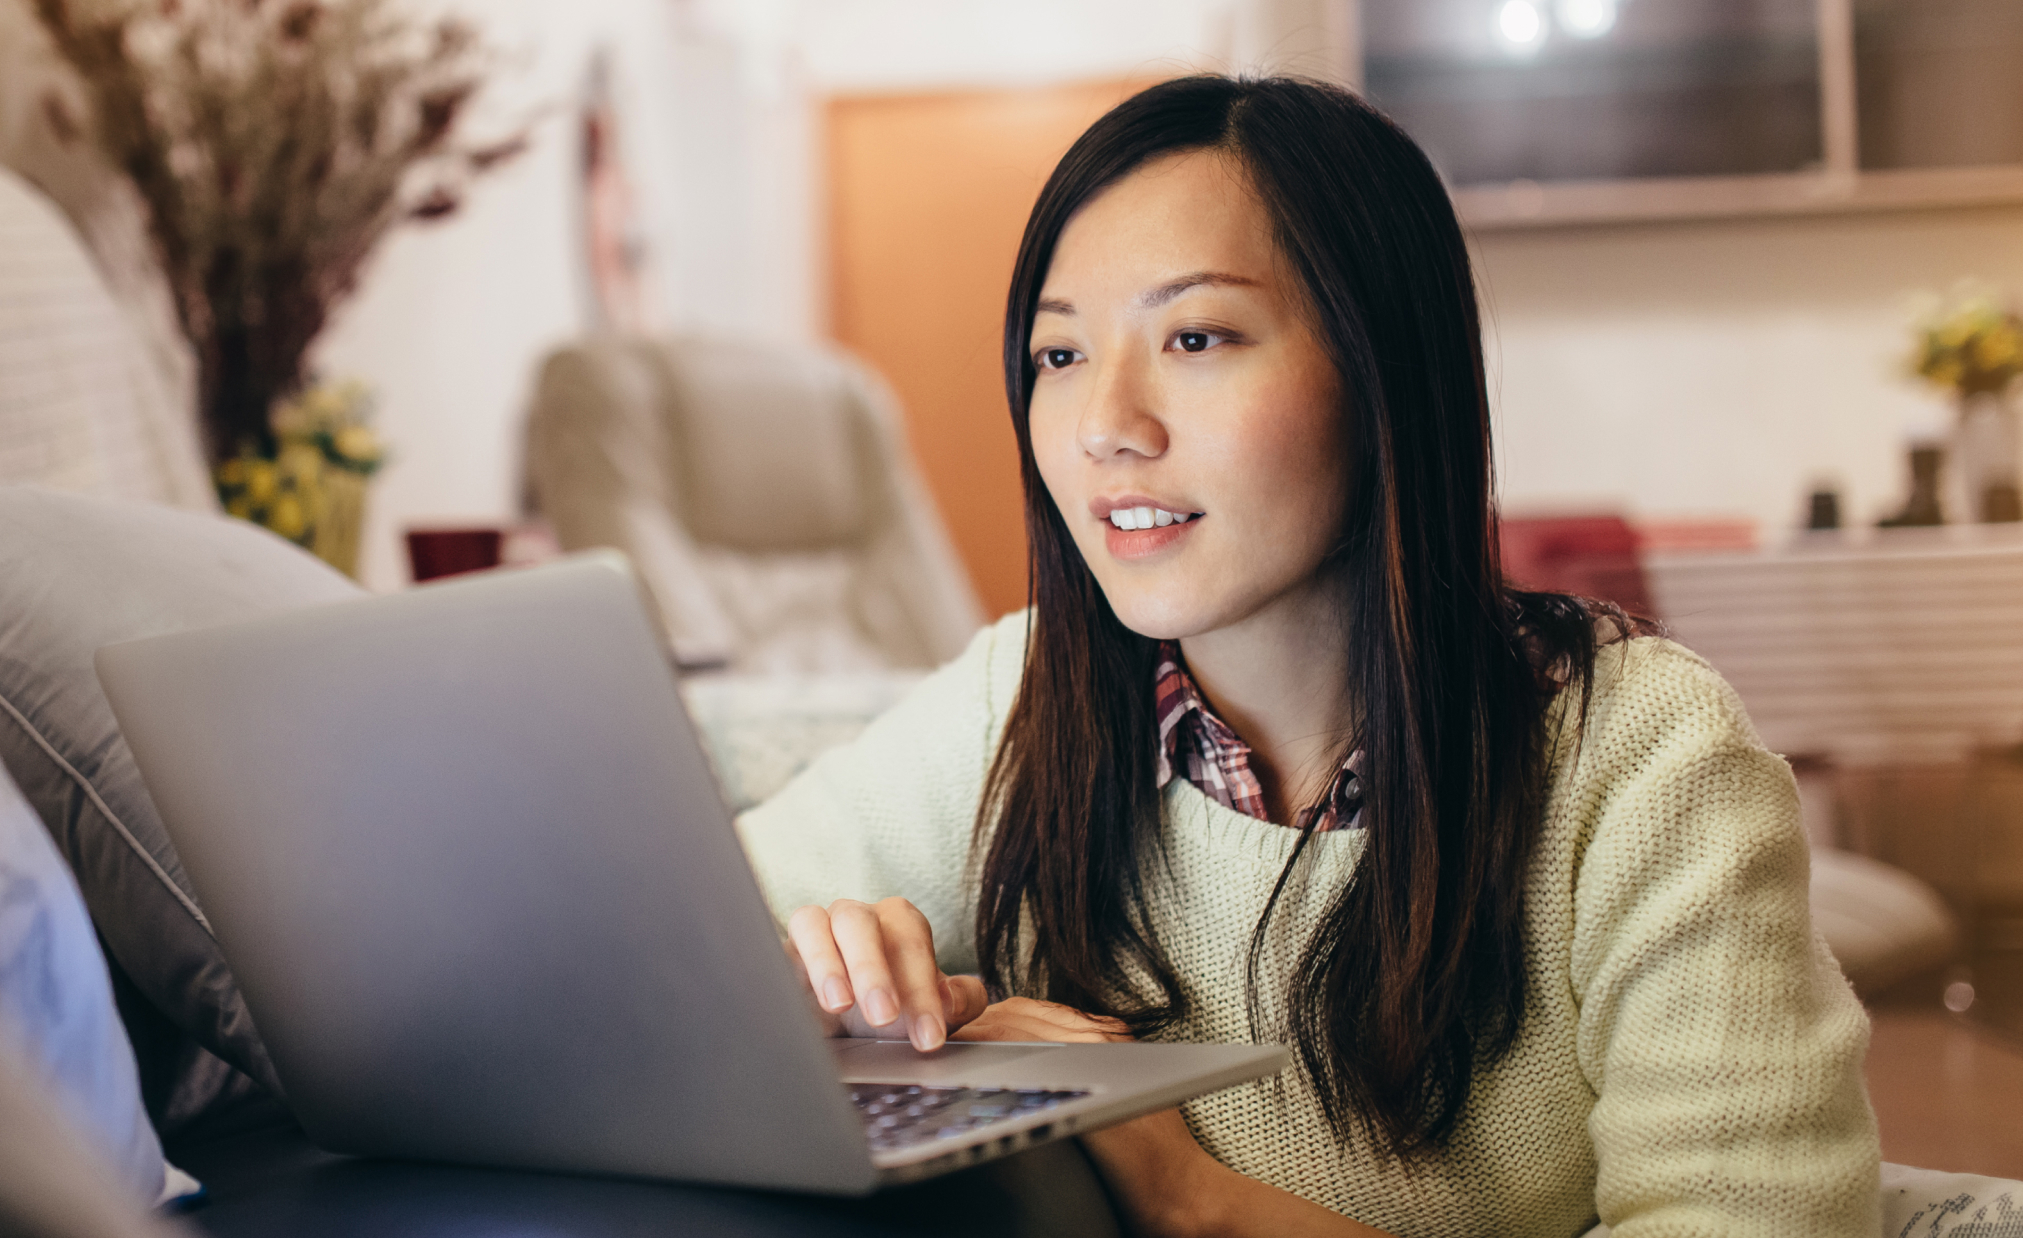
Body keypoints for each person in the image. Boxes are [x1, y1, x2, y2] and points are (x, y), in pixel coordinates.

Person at [735, 75, 1876, 1237]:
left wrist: (1195, 1196)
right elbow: (645, 973)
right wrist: (813, 991)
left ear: (1381, 369)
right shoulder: (1022, 696)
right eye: (1059, 355)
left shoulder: (1641, 755)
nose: (1104, 424)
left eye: (1194, 335)